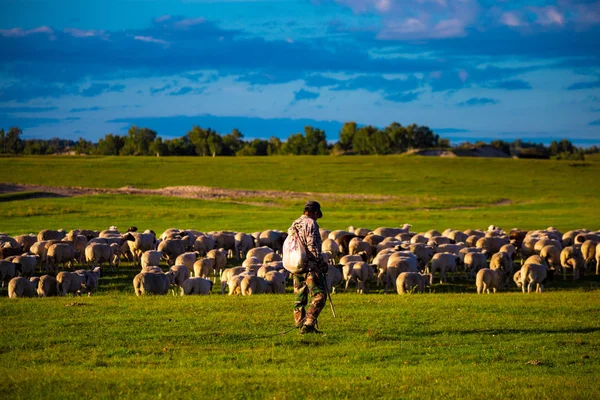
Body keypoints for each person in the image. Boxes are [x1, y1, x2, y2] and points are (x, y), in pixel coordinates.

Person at [289, 200, 329, 334]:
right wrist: (320, 262)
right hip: (309, 265)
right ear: (316, 213)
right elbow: (312, 245)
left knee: (300, 296)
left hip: (296, 264)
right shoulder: (311, 224)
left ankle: (299, 324)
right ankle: (308, 324)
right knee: (320, 295)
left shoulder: (295, 223)